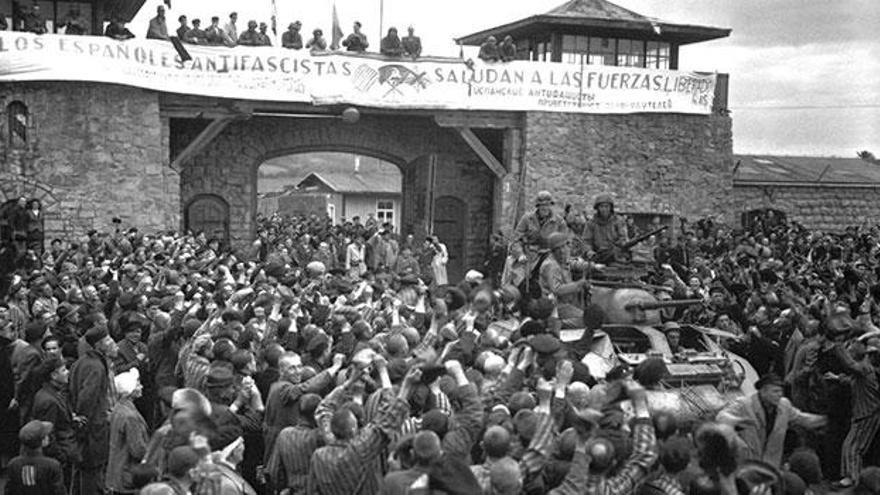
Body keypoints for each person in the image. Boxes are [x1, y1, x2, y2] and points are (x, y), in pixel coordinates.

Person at [717, 373, 827, 467]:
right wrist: (735, 421)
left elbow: (803, 419)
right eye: (775, 391)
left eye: (780, 391)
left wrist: (827, 419)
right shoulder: (744, 404)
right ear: (763, 391)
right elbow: (722, 416)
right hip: (747, 464)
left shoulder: (784, 405)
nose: (779, 395)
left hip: (771, 465)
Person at [69, 325, 118, 495]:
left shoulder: (81, 361)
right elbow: (86, 398)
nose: (112, 342)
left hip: (85, 426)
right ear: (99, 344)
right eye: (108, 340)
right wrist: (82, 423)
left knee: (81, 470)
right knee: (92, 471)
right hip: (92, 428)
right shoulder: (96, 367)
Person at [106, 369, 149, 494]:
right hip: (126, 474)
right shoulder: (130, 417)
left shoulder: (118, 408)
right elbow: (137, 450)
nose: (141, 386)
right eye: (137, 384)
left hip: (116, 470)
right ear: (129, 391)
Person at [539, 233, 590, 327]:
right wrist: (578, 284)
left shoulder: (561, 259)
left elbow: (572, 263)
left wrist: (591, 266)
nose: (562, 251)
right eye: (557, 249)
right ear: (552, 251)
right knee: (586, 320)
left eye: (563, 247)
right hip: (556, 305)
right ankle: (558, 325)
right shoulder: (551, 265)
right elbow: (556, 289)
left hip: (566, 302)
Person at [6, 420, 66, 495]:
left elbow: (9, 491)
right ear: (43, 441)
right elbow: (59, 492)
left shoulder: (13, 464)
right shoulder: (53, 466)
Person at [515, 191, 569, 257]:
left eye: (547, 205)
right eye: (542, 205)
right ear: (538, 206)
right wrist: (520, 254)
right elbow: (516, 240)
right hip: (529, 255)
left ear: (550, 205)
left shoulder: (559, 221)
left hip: (550, 256)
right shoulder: (527, 219)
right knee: (511, 264)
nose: (545, 208)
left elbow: (565, 243)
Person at [582, 194, 628, 264]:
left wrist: (618, 246)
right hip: (598, 255)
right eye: (601, 207)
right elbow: (586, 241)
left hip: (615, 255)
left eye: (606, 206)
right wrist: (589, 251)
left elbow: (623, 238)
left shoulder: (618, 221)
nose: (604, 209)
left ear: (610, 208)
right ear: (597, 208)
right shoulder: (591, 223)